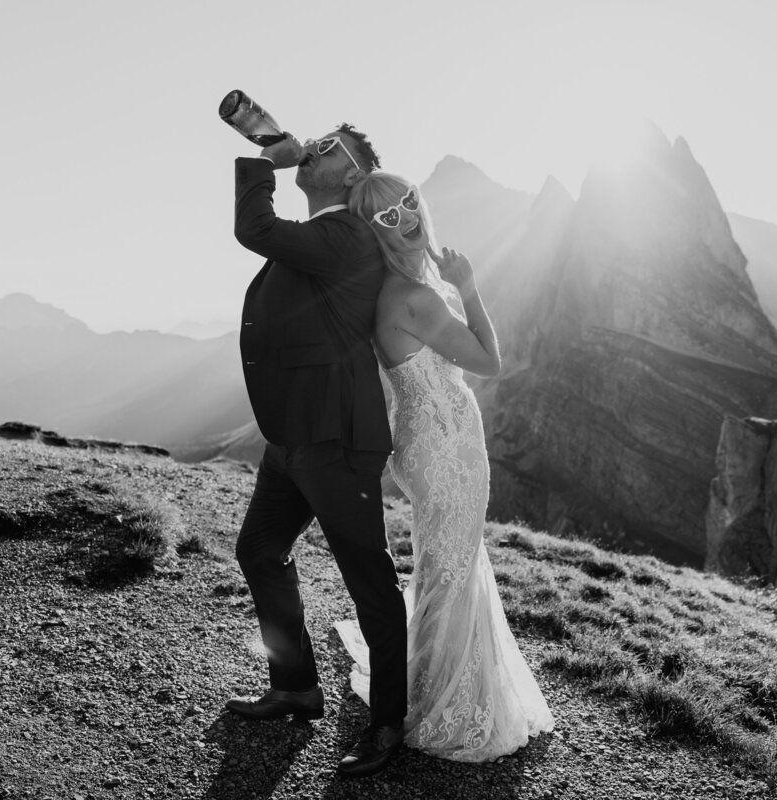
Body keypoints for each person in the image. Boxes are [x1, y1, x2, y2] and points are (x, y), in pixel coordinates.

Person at [334, 171, 555, 762]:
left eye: (407, 201)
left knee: (445, 562)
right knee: (454, 568)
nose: (405, 216)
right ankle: (443, 700)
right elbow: (489, 362)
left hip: (420, 441)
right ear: (373, 229)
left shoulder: (386, 288)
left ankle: (425, 678)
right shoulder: (417, 296)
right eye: (387, 215)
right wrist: (471, 287)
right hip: (448, 445)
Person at [225, 127, 407, 779]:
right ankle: (297, 686)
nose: (317, 148)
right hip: (293, 436)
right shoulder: (321, 241)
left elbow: (257, 230)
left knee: (370, 582)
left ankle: (388, 722)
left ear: (354, 178)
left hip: (335, 439)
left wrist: (261, 163)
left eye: (332, 146)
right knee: (259, 550)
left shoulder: (347, 236)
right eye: (320, 140)